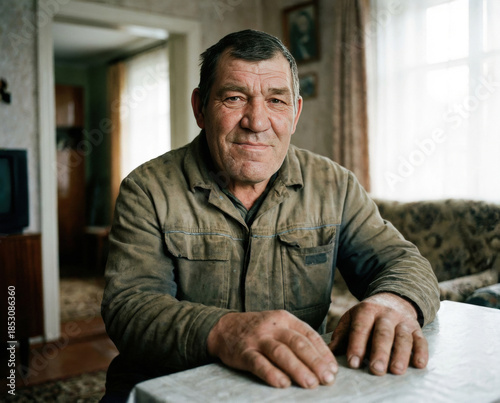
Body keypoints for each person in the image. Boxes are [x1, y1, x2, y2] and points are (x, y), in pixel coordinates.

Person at [101, 29, 440, 401]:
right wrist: (224, 331)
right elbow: (130, 308)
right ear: (200, 108)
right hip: (172, 390)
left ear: (294, 113)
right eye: (234, 98)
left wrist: (394, 301)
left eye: (276, 100)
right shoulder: (147, 189)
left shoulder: (334, 184)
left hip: (295, 388)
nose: (257, 121)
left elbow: (403, 261)